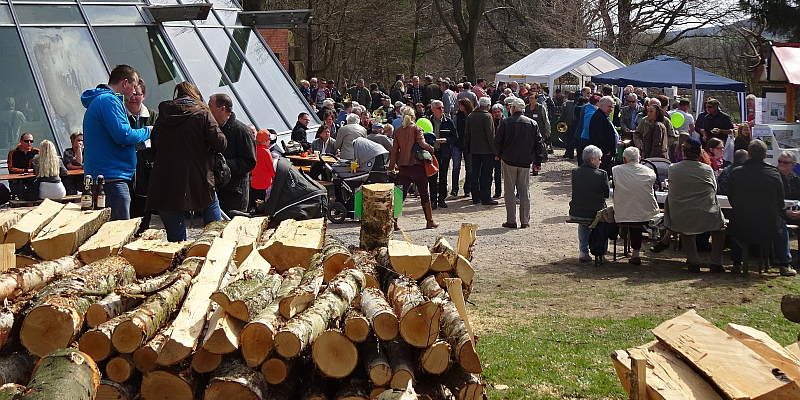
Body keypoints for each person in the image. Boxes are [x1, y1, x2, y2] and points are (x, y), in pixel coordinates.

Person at [146, 82, 227, 242]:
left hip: (165, 181)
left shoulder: (164, 115)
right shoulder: (203, 114)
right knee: (215, 233)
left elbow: (155, 146)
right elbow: (221, 144)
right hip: (199, 180)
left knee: (176, 241)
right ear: (196, 95)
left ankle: (179, 261)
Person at [82, 65, 150, 220]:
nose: (134, 92)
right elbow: (123, 135)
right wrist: (148, 131)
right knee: (117, 233)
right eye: (133, 87)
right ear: (125, 83)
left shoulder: (102, 100)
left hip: (105, 176)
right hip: (111, 178)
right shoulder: (109, 101)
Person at [728, 140, 796, 276]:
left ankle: (737, 263)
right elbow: (780, 202)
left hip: (742, 226)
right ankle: (784, 264)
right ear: (765, 155)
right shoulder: (774, 174)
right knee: (782, 225)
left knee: (734, 220)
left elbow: (731, 199)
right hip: (769, 227)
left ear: (748, 154)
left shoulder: (736, 173)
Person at [661, 137, 726, 272]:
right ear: (700, 153)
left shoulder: (673, 169)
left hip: (681, 216)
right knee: (720, 229)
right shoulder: (707, 170)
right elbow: (714, 189)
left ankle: (693, 260)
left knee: (686, 228)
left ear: (684, 152)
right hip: (706, 215)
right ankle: (716, 262)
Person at [495, 97, 543, 229]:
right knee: (524, 191)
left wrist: (498, 155)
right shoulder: (532, 123)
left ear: (513, 108)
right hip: (525, 161)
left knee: (509, 191)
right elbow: (539, 143)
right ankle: (525, 220)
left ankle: (511, 220)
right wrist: (537, 161)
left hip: (509, 160)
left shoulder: (505, 123)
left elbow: (498, 141)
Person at [388, 106, 438, 229]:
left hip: (403, 166)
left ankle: (394, 222)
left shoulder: (398, 131)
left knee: (401, 195)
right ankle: (429, 221)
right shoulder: (417, 129)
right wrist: (431, 148)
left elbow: (394, 152)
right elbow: (422, 144)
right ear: (413, 116)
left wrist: (391, 168)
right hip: (417, 166)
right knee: (424, 193)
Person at [209, 93, 257, 215]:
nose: (207, 110)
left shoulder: (241, 131)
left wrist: (222, 164)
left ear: (222, 108)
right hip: (217, 190)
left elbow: (249, 162)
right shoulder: (213, 130)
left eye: (210, 106)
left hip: (235, 194)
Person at [612, 147, 658, 265]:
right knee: (638, 211)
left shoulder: (616, 170)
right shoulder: (650, 172)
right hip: (647, 213)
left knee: (630, 209)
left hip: (623, 212)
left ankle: (633, 252)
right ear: (640, 159)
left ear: (624, 159)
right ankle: (636, 252)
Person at [125, 80, 158, 231]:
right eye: (130, 94)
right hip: (125, 172)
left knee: (143, 214)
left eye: (136, 94)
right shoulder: (120, 116)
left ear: (143, 96)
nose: (132, 98)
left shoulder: (153, 116)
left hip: (146, 174)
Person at [569, 145, 609, 261]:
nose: (600, 162)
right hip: (594, 213)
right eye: (599, 159)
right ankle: (601, 251)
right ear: (592, 160)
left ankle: (583, 251)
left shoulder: (575, 172)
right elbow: (606, 194)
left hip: (576, 211)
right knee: (602, 220)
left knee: (583, 223)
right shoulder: (602, 174)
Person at [464, 97, 498, 206]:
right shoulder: (487, 116)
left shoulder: (471, 116)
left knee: (475, 173)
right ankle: (485, 197)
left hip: (474, 149)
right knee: (486, 174)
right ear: (488, 106)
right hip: (487, 150)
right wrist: (495, 150)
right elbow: (490, 135)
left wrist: (468, 148)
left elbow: (467, 134)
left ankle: (475, 197)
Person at [427, 100, 457, 209]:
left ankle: (442, 199)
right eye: (439, 108)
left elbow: (455, 137)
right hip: (432, 153)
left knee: (443, 176)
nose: (442, 110)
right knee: (432, 177)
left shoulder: (448, 121)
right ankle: (433, 200)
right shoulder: (428, 121)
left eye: (442, 108)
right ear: (433, 109)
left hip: (444, 152)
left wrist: (446, 140)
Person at [588, 96, 617, 177]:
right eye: (609, 106)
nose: (611, 109)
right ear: (601, 105)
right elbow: (597, 136)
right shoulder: (598, 117)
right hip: (601, 154)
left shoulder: (603, 116)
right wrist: (606, 150)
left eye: (612, 107)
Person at [452, 98, 473, 197]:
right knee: (456, 167)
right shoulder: (457, 116)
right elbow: (454, 128)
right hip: (457, 144)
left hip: (468, 145)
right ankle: (454, 188)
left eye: (462, 105)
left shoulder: (471, 116)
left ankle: (467, 188)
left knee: (469, 168)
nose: (460, 107)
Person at [250, 130, 276, 211]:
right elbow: (271, 167)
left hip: (254, 182)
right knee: (262, 204)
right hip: (265, 183)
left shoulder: (253, 149)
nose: (269, 142)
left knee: (255, 202)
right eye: (268, 140)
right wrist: (276, 177)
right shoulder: (265, 151)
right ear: (264, 141)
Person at [490, 103, 505, 198]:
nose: (497, 114)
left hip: (503, 151)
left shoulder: (505, 122)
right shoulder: (491, 121)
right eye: (495, 112)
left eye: (498, 112)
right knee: (496, 173)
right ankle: (497, 191)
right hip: (493, 150)